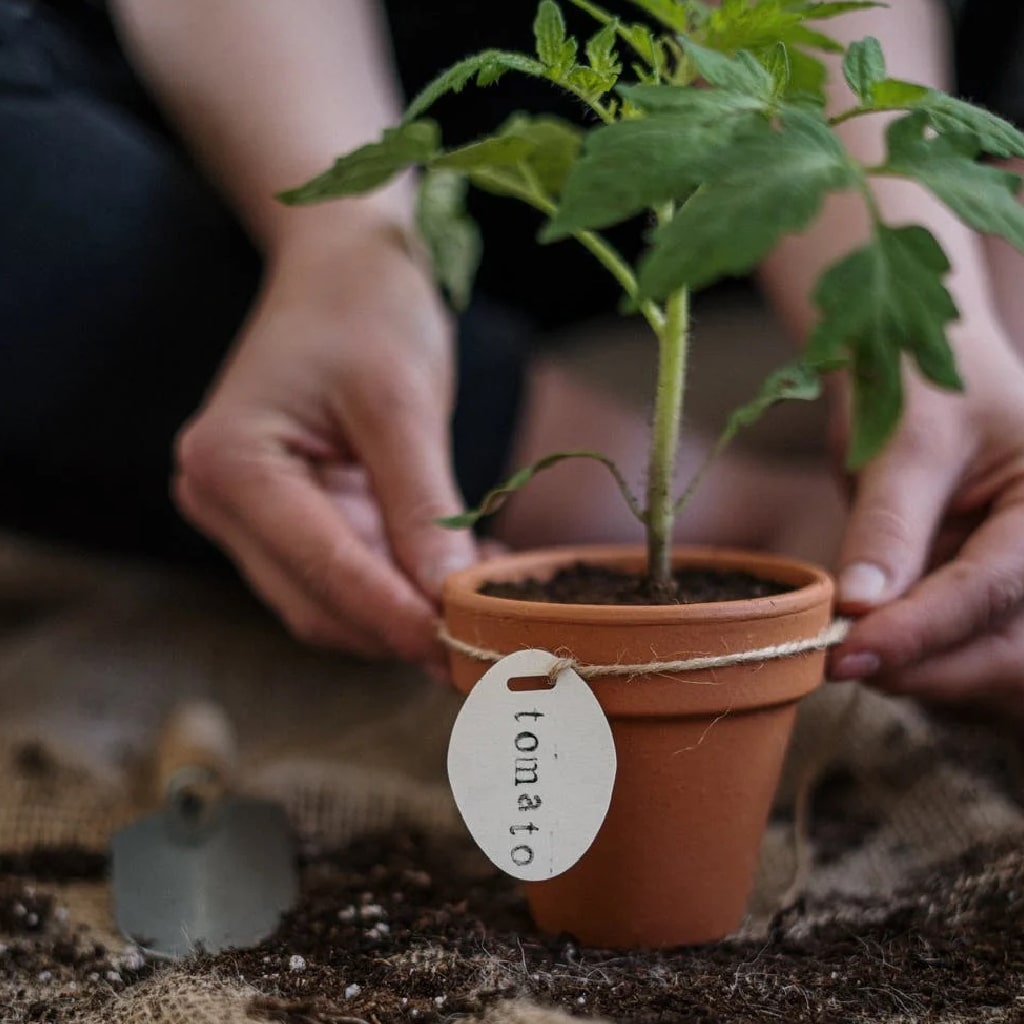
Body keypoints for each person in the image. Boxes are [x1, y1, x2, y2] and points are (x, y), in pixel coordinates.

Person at [2, 0, 1023, 721]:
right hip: (295, 126)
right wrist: (346, 240)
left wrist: (918, 342)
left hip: (806, 108)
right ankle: (749, 521)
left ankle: (959, 455)